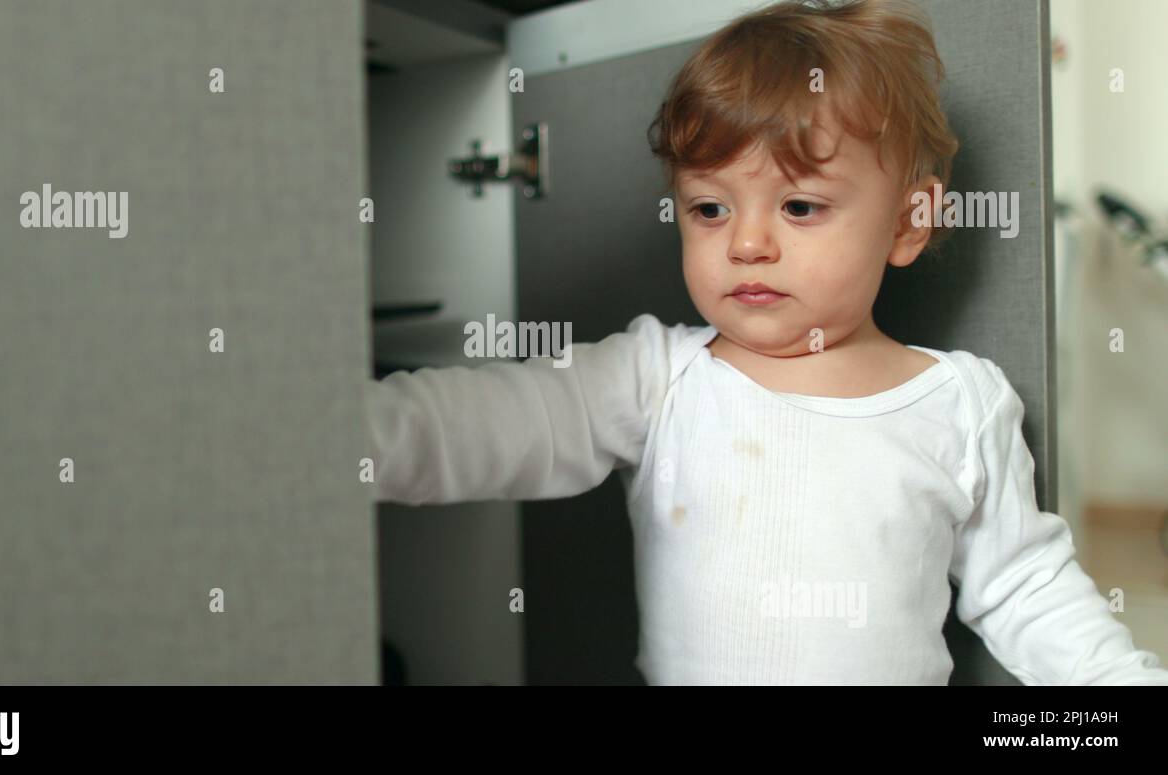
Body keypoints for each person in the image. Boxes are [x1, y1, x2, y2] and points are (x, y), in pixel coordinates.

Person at [364, 0, 1168, 685]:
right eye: (710, 209)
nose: (746, 244)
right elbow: (484, 422)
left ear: (909, 221)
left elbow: (1025, 584)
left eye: (800, 207)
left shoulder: (959, 403)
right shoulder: (656, 378)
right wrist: (332, 437)